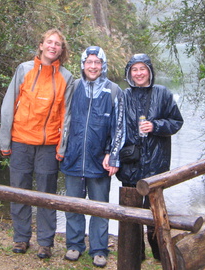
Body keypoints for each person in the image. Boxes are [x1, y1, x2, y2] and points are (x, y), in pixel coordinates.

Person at [0, 29, 74, 259]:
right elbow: (8, 105)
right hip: (20, 141)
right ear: (41, 45)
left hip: (48, 145)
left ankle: (45, 242)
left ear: (62, 50)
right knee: (19, 192)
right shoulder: (24, 70)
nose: (53, 46)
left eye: (57, 44)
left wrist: (62, 146)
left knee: (46, 195)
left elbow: (67, 115)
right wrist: (5, 140)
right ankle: (21, 239)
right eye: (49, 42)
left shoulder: (67, 77)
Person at [58, 46, 124, 268]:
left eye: (97, 62)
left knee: (100, 208)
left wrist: (113, 155)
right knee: (73, 205)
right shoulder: (73, 87)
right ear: (83, 64)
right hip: (73, 157)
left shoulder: (114, 91)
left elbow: (119, 127)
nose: (93, 66)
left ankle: (99, 249)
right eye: (89, 62)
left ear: (103, 65)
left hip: (100, 161)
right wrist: (62, 148)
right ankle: (74, 245)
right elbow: (63, 121)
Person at [116, 53, 183, 261]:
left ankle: (159, 252)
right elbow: (115, 129)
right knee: (130, 214)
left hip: (156, 163)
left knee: (155, 213)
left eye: (142, 69)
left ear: (149, 71)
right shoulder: (123, 96)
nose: (138, 74)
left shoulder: (163, 93)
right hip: (130, 164)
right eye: (134, 70)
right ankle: (135, 253)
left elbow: (176, 122)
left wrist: (156, 126)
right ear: (129, 73)